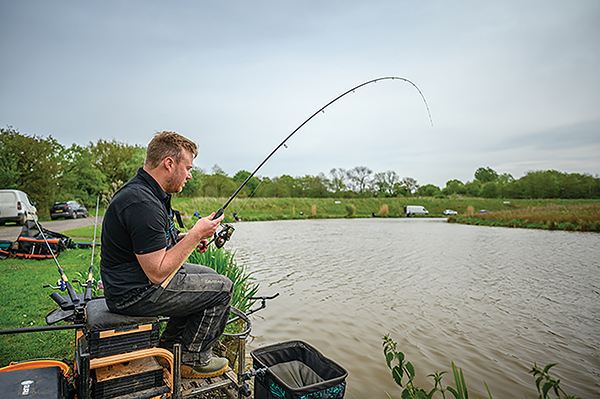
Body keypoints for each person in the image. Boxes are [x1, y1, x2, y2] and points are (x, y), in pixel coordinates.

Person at [100, 131, 232, 378]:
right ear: (169, 164)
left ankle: (169, 348)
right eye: (188, 168)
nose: (190, 175)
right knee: (222, 288)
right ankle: (193, 360)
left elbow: (153, 243)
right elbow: (157, 273)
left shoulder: (150, 193)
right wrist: (194, 234)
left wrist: (188, 239)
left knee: (211, 275)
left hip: (134, 281)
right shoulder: (141, 203)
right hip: (133, 293)